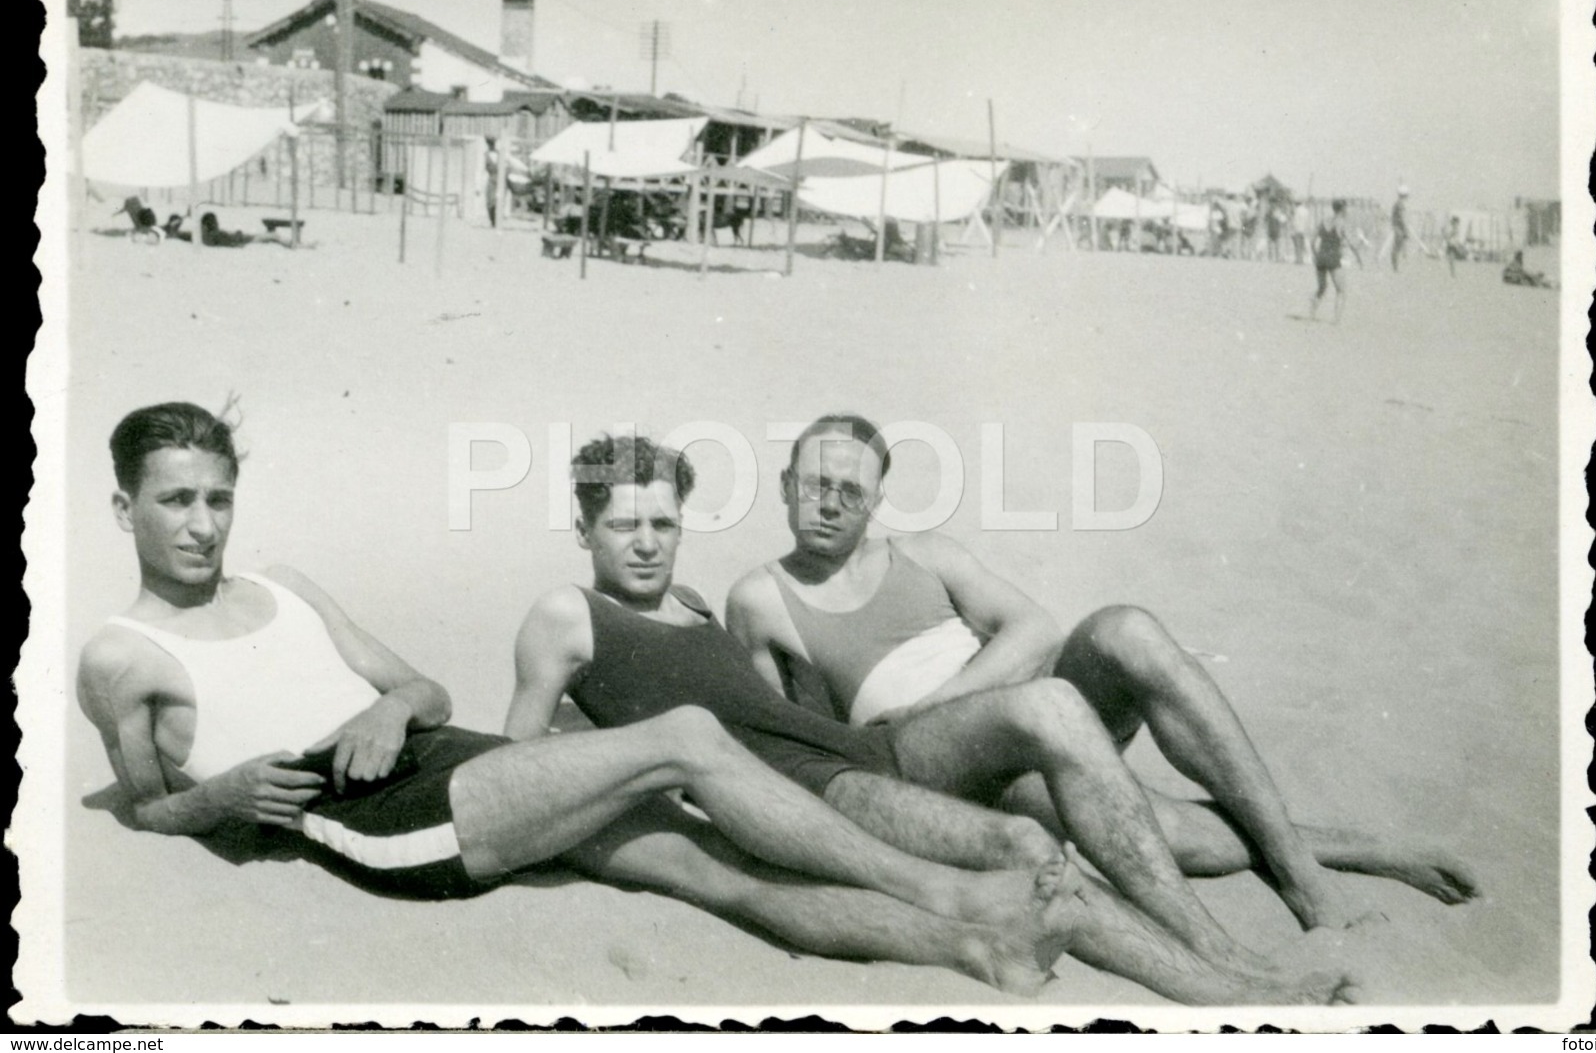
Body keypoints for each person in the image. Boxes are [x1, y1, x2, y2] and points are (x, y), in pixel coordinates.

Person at [77, 402, 1134, 997]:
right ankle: (946, 893)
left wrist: (388, 709)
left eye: (217, 498)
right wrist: (229, 794)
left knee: (704, 866)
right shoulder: (122, 656)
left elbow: (419, 682)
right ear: (125, 507)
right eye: (175, 501)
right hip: (377, 823)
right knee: (683, 737)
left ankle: (967, 947)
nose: (202, 524)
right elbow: (146, 805)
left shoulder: (285, 585)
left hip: (446, 754)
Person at [510, 433, 1357, 1005]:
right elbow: (520, 759)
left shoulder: (695, 605)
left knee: (1062, 720)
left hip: (864, 749)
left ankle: (1227, 952)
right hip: (827, 792)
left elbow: (774, 707)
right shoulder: (567, 613)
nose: (648, 542)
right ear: (582, 527)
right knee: (1029, 851)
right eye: (623, 524)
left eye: (663, 522)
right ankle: (1225, 983)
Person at [728, 414, 1481, 947]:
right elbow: (785, 738)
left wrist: (948, 698)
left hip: (1013, 706)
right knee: (1166, 832)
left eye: (849, 492)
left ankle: (1304, 869)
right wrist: (918, 729)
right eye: (815, 484)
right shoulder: (760, 599)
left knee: (1126, 629)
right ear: (787, 483)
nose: (828, 503)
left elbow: (1036, 630)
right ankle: (1339, 856)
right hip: (934, 761)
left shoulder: (926, 552)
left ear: (876, 502)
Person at [1310, 201, 1359, 324]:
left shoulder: (1324, 221)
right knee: (1341, 290)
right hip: (1333, 257)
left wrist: (1316, 254)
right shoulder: (1341, 223)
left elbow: (1312, 241)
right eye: (1346, 208)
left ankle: (1312, 314)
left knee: (1322, 287)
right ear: (1342, 209)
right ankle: (1336, 320)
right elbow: (1351, 242)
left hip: (1321, 256)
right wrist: (1358, 257)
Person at [1389, 186, 1411, 272]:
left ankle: (1396, 267)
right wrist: (1405, 230)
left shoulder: (1397, 204)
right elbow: (1402, 218)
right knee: (1397, 248)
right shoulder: (1400, 204)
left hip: (1397, 227)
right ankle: (1395, 268)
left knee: (1398, 248)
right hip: (1399, 228)